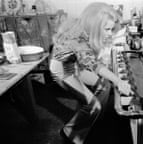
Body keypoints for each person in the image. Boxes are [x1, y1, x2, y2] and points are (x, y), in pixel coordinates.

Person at [49, 2, 133, 144]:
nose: (109, 33)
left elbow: (90, 58)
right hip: (62, 70)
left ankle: (94, 119)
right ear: (95, 26)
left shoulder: (86, 27)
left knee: (104, 85)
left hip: (74, 63)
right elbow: (95, 65)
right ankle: (69, 133)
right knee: (93, 105)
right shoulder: (78, 40)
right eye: (106, 29)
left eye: (111, 29)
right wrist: (118, 81)